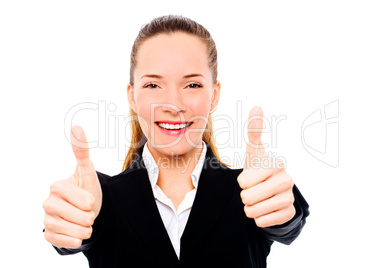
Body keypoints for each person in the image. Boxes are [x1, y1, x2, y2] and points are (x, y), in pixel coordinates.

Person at [42, 15, 309, 268]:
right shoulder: (101, 199)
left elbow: (287, 223)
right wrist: (70, 221)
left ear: (214, 96)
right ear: (132, 96)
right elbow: (73, 232)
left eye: (192, 85)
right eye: (153, 85)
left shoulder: (251, 192)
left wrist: (284, 209)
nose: (173, 104)